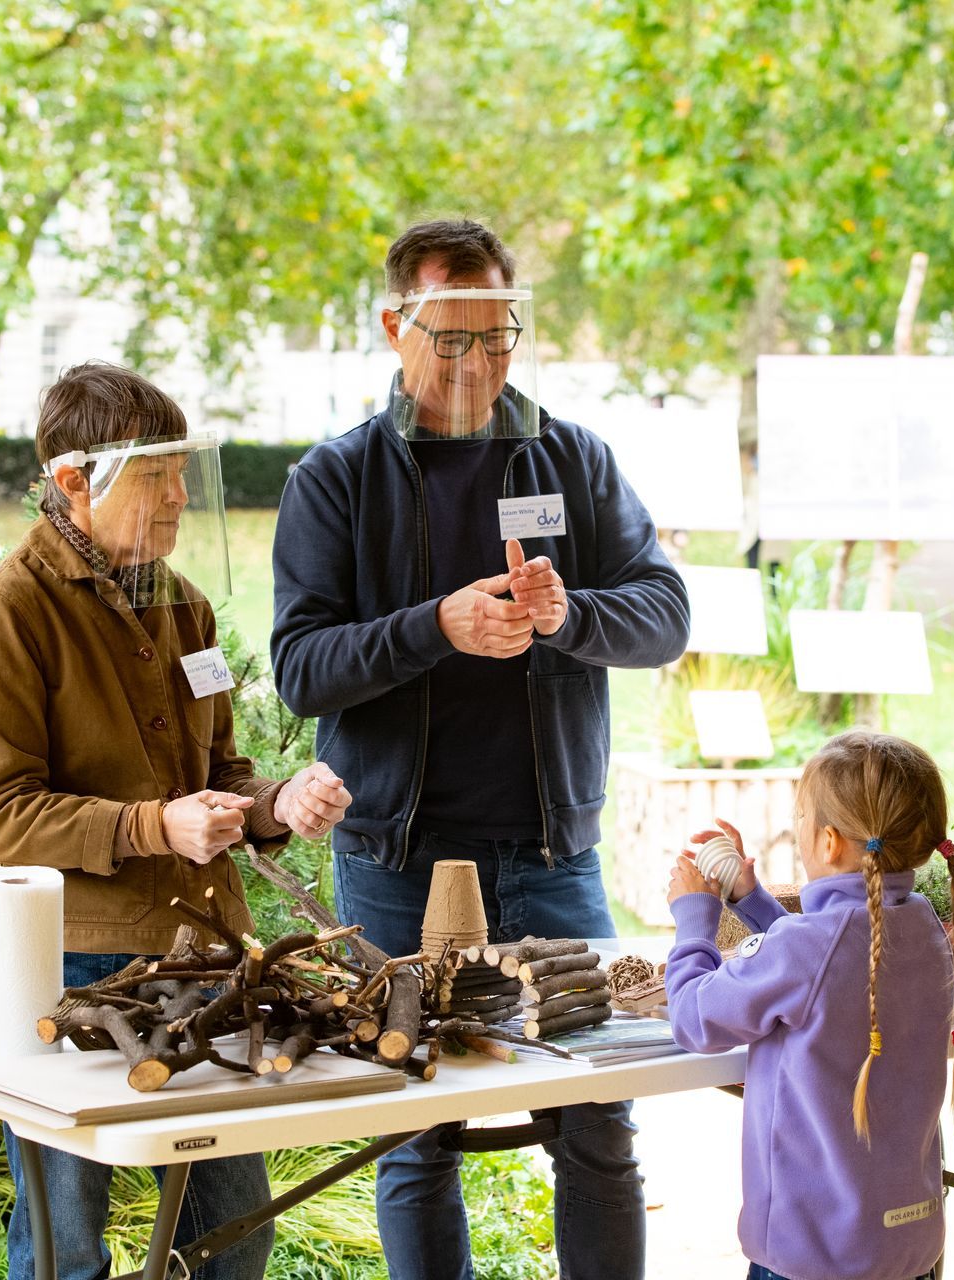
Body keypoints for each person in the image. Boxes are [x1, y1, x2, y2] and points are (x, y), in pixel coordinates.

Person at [269, 218, 690, 1280]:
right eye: (450, 341)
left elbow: (665, 614)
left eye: (499, 338)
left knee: (597, 1121)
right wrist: (432, 627)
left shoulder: (572, 457)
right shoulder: (336, 479)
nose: (477, 365)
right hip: (394, 861)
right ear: (393, 327)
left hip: (553, 858)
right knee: (417, 1136)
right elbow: (302, 667)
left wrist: (569, 616)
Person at [0, 361, 353, 1280]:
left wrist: (272, 805)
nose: (177, 494)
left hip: (208, 959)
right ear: (73, 482)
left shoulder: (184, 603)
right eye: (155, 473)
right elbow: (0, 821)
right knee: (65, 1243)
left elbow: (217, 775)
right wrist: (152, 828)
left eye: (182, 472)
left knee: (236, 1234)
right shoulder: (6, 612)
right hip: (68, 971)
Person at [664, 731, 954, 1280]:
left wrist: (695, 920)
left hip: (810, 1260)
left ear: (829, 842)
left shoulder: (808, 949)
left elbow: (693, 1017)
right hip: (908, 1252)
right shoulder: (923, 925)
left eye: (800, 815)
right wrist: (751, 900)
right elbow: (833, 965)